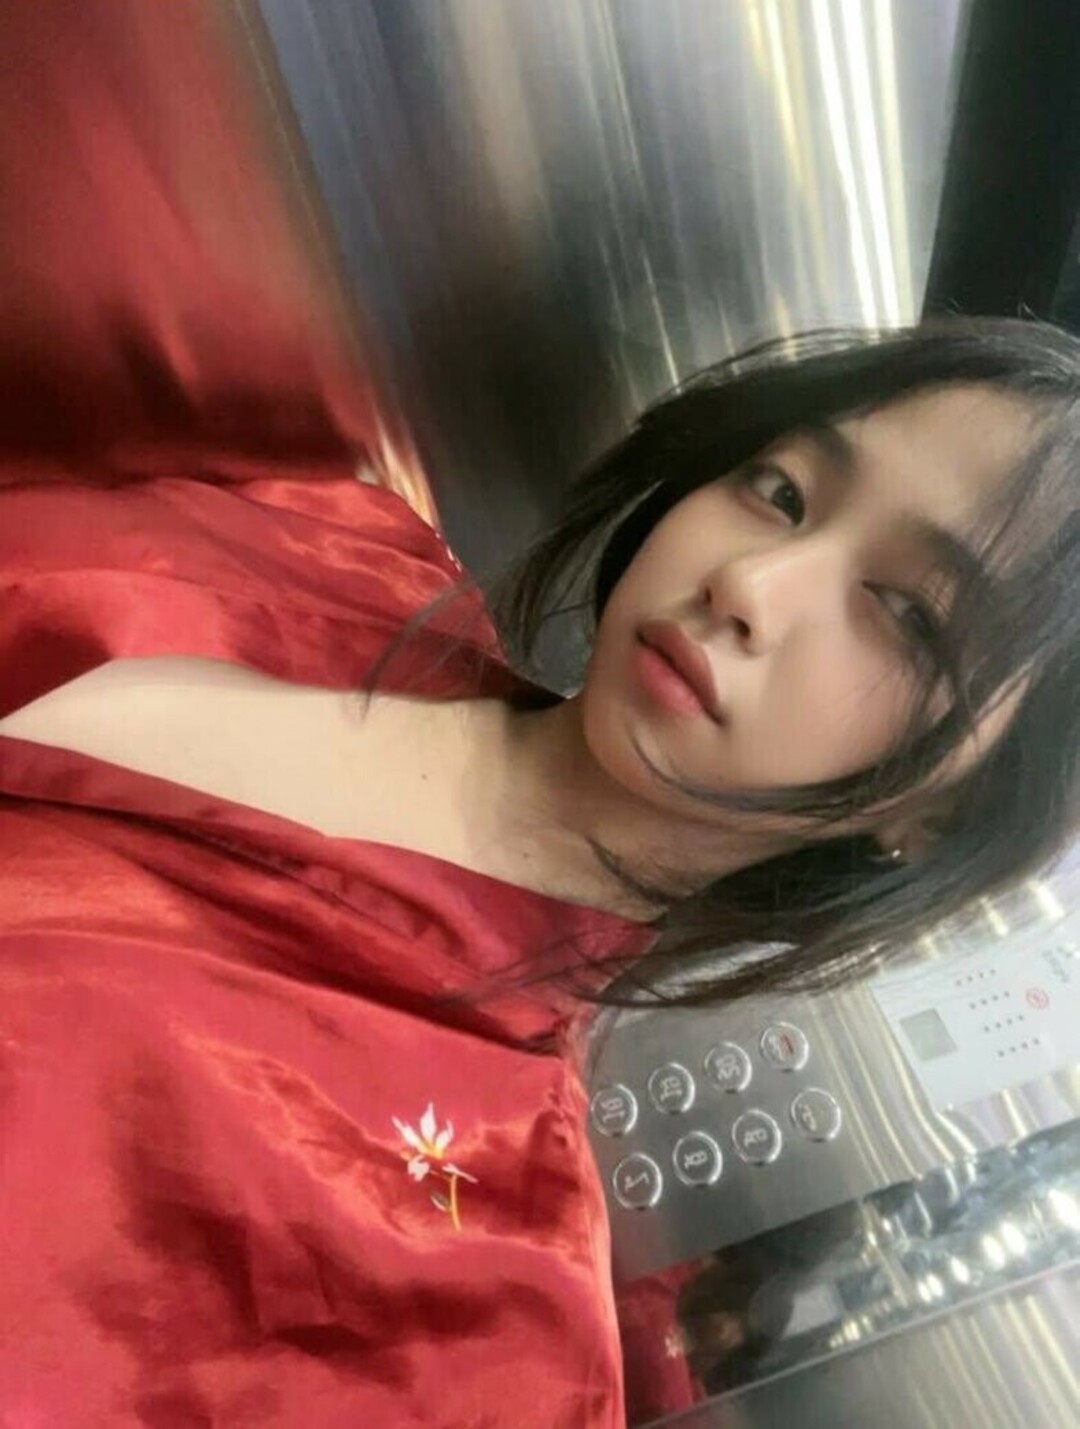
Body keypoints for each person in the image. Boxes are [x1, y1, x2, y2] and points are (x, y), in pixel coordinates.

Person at [4, 12, 1080, 1429]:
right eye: (780, 489)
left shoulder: (475, 1281)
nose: (751, 584)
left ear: (943, 808)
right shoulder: (336, 534)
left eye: (908, 616)